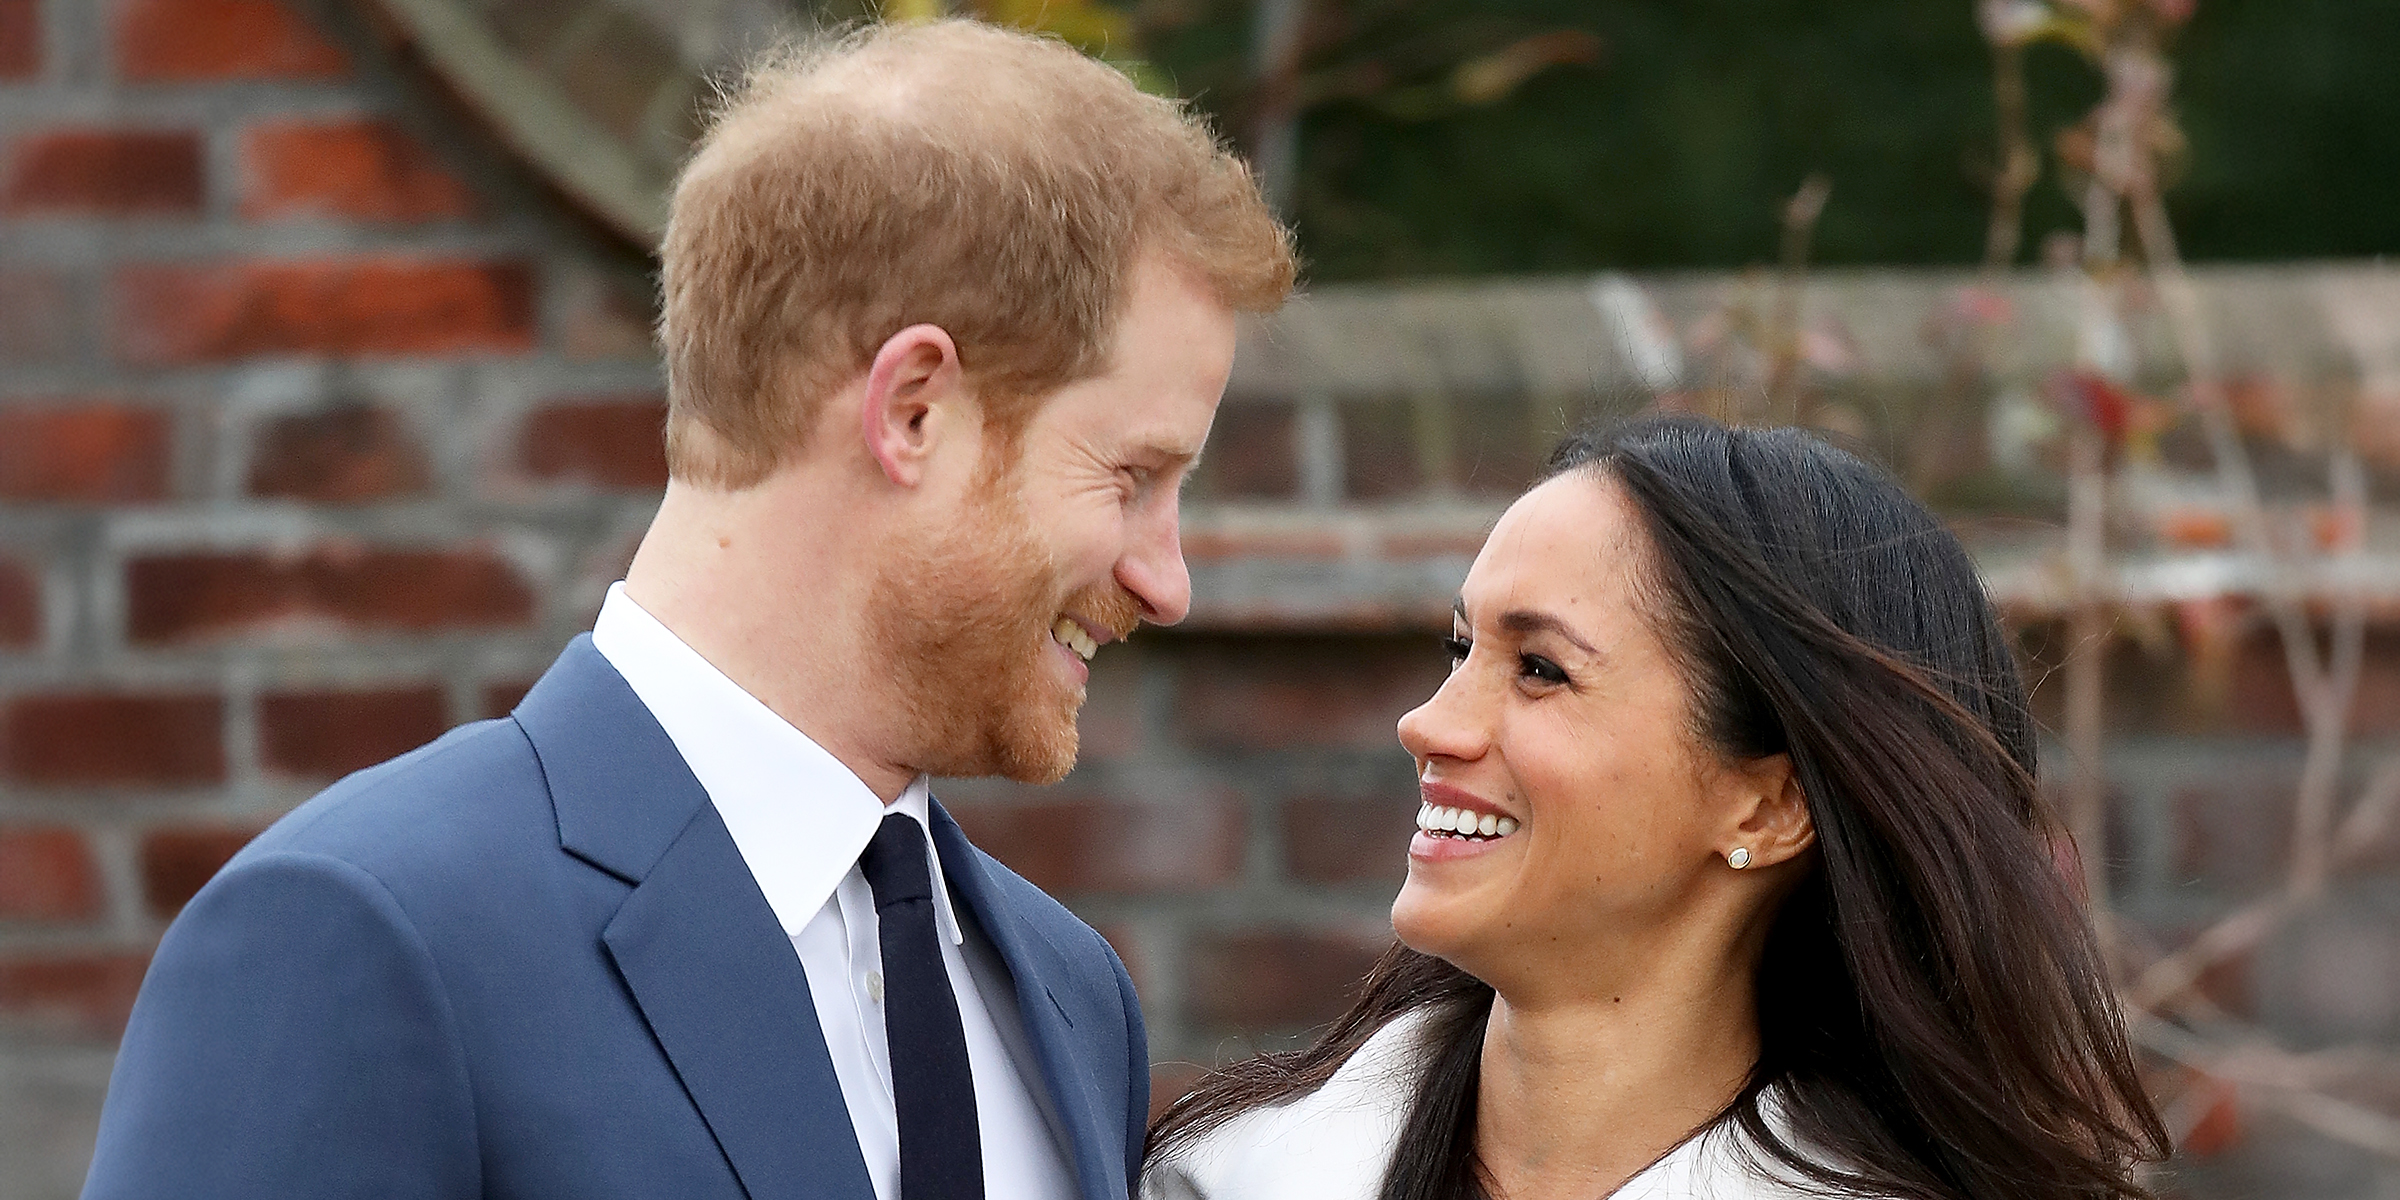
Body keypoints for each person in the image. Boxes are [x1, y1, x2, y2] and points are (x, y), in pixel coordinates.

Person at [83, 20, 1292, 1200]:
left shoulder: (1071, 997)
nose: (1165, 579)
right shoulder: (364, 937)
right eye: (1129, 479)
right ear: (914, 408)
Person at [1146, 415, 2168, 1200]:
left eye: (1540, 669)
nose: (1430, 723)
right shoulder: (1215, 1177)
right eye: (1462, 651)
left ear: (1768, 808)